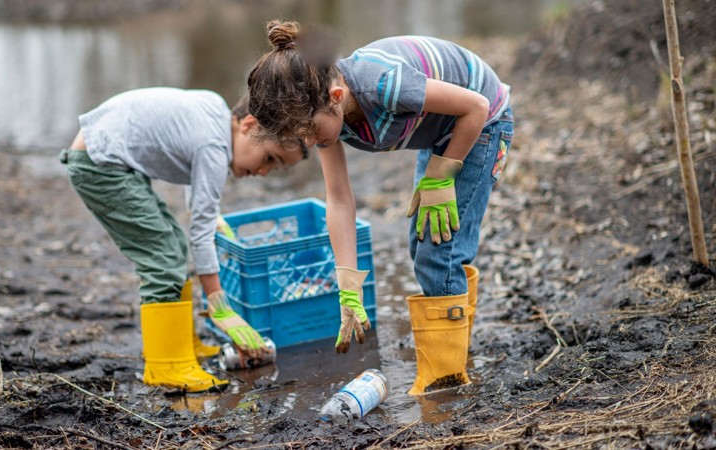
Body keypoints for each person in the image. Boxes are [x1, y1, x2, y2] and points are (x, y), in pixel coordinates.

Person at [247, 21, 513, 395]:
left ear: (337, 96)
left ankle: (446, 380)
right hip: (441, 130)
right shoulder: (323, 113)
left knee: (439, 253)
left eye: (309, 130)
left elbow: (476, 106)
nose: (308, 141)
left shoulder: (383, 85)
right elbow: (339, 199)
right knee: (421, 240)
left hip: (482, 123)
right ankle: (457, 347)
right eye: (298, 137)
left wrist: (441, 176)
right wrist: (348, 288)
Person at [59, 88, 307, 393]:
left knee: (173, 243)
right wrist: (219, 306)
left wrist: (203, 211)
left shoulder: (217, 111)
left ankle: (181, 343)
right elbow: (200, 231)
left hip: (108, 154)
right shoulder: (216, 148)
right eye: (269, 157)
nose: (263, 170)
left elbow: (194, 169)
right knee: (163, 256)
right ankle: (166, 365)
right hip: (100, 164)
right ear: (248, 125)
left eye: (274, 167)